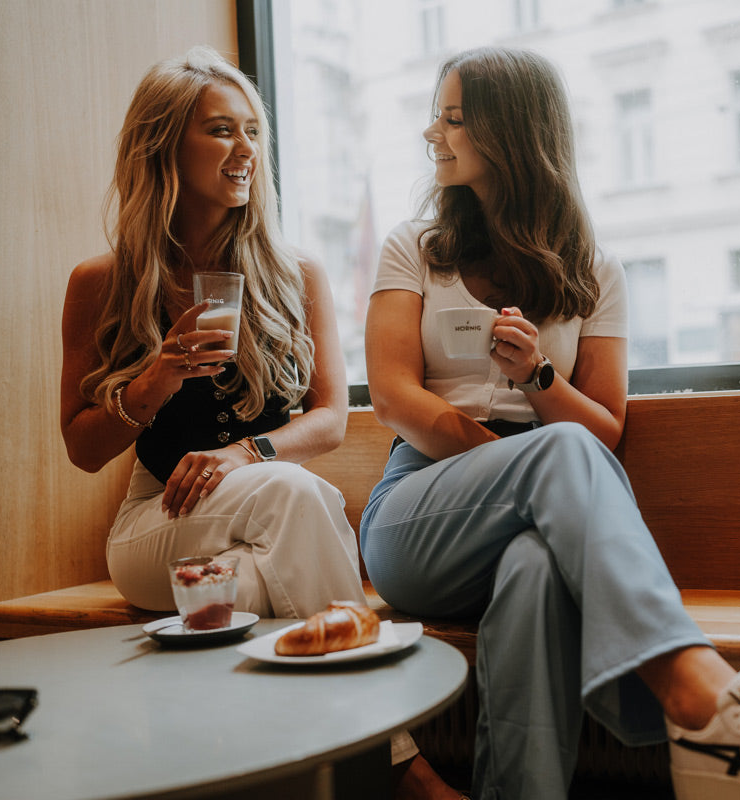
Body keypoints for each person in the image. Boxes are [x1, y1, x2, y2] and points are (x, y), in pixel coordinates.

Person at [360, 46, 740, 800]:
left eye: (453, 119)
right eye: (437, 116)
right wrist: (515, 463)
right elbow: (391, 397)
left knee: (536, 570)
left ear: (512, 131)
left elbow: (604, 426)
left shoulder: (593, 270)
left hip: (543, 507)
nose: (433, 134)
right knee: (556, 460)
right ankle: (702, 698)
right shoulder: (413, 250)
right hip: (420, 511)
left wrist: (537, 378)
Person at [59, 47, 461, 800]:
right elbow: (81, 447)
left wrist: (248, 451)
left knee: (278, 545)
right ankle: (402, 770)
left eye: (252, 131)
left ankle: (310, 773)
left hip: (262, 523)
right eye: (221, 131)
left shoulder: (293, 272)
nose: (246, 150)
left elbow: (333, 419)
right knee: (300, 500)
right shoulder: (102, 283)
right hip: (156, 522)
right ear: (163, 146)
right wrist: (156, 377)